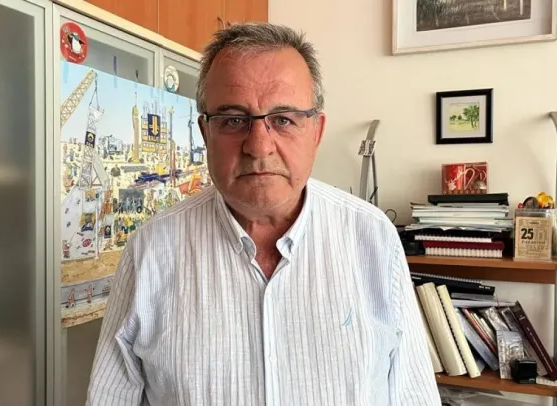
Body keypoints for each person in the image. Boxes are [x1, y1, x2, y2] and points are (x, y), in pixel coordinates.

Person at [86, 23, 441, 406]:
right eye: (233, 120)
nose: (258, 146)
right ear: (205, 133)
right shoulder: (151, 250)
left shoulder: (372, 237)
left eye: (284, 119)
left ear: (316, 131)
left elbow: (413, 396)